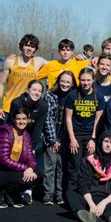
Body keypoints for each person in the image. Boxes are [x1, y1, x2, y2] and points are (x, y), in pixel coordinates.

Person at [65, 130, 111, 222]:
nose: (108, 145)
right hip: (89, 197)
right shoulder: (88, 160)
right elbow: (83, 184)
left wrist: (103, 204)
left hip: (106, 198)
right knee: (70, 193)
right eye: (106, 141)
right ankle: (86, 215)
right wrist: (91, 204)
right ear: (100, 142)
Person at [64, 68, 106, 192]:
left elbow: (98, 119)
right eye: (82, 80)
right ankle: (71, 194)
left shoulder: (98, 96)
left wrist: (93, 139)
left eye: (88, 80)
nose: (85, 83)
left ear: (93, 80)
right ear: (79, 80)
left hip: (90, 136)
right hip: (75, 135)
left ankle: (86, 193)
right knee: (74, 166)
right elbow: (68, 118)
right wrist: (72, 138)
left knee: (88, 165)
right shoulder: (72, 95)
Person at [43, 71, 77, 205]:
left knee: (62, 167)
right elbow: (48, 118)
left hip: (67, 136)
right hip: (52, 134)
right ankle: (48, 194)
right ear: (58, 81)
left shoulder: (74, 95)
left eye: (68, 82)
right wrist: (53, 139)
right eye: (62, 81)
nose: (65, 84)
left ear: (73, 83)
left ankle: (59, 194)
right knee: (50, 166)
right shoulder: (50, 95)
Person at [0, 34, 47, 122]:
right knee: (6, 135)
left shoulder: (38, 61)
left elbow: (57, 66)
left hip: (27, 108)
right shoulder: (10, 62)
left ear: (35, 49)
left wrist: (79, 58)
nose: (29, 48)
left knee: (25, 136)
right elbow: (1, 84)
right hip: (8, 107)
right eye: (26, 45)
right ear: (22, 46)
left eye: (32, 46)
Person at [0, 107, 41, 208]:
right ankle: (2, 193)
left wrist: (31, 168)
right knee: (24, 177)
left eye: (24, 119)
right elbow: (4, 160)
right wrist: (26, 168)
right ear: (13, 119)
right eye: (18, 119)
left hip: (14, 170)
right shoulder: (6, 132)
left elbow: (30, 156)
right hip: (2, 170)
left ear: (28, 119)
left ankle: (10, 193)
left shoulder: (26, 135)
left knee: (39, 173)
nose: (21, 122)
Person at [9, 80, 48, 157]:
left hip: (31, 134)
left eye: (39, 91)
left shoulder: (43, 106)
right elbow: (12, 124)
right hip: (16, 132)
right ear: (27, 90)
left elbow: (38, 128)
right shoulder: (16, 103)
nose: (37, 93)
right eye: (34, 90)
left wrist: (32, 148)